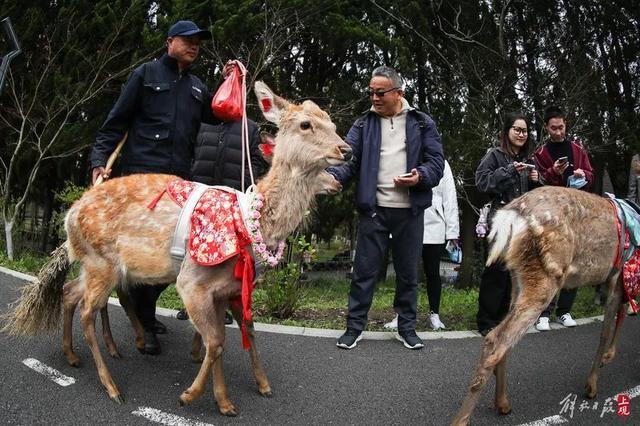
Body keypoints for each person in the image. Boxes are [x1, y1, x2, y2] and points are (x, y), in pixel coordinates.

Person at [89, 20, 225, 355]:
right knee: (147, 253)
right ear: (169, 42)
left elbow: (221, 114)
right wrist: (98, 162)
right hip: (142, 180)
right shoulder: (146, 75)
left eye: (199, 42)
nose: (195, 46)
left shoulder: (196, 87)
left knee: (172, 256)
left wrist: (231, 81)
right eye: (188, 40)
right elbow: (115, 122)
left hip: (179, 184)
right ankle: (145, 323)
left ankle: (144, 312)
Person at [328, 65, 444, 350]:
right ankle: (354, 328)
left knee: (407, 273)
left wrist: (419, 177)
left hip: (410, 211)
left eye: (380, 92)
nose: (374, 98)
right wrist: (333, 176)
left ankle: (406, 328)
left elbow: (436, 163)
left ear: (398, 92)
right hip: (374, 210)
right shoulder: (363, 124)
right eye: (371, 92)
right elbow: (349, 159)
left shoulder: (421, 122)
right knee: (364, 272)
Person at [176, 118, 268, 322]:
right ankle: (191, 303)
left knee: (226, 254)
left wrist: (242, 180)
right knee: (193, 249)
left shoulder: (249, 127)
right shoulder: (202, 121)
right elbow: (189, 150)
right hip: (202, 196)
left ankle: (220, 305)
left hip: (232, 200)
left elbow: (257, 162)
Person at [476, 112, 539, 336]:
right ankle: (486, 322)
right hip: (500, 219)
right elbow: (482, 182)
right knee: (495, 271)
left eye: (525, 130)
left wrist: (536, 180)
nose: (522, 134)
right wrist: (511, 170)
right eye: (517, 129)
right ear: (507, 131)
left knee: (513, 271)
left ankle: (503, 319)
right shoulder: (495, 155)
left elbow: (535, 196)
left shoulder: (529, 158)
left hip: (522, 223)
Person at [533, 105, 594, 331]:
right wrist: (553, 173)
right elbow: (536, 183)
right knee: (549, 263)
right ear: (546, 127)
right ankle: (543, 313)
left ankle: (565, 311)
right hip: (550, 216)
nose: (558, 132)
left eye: (561, 127)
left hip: (575, 215)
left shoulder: (578, 149)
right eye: (553, 128)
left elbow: (590, 174)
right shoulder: (540, 154)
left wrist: (582, 175)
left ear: (566, 124)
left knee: (572, 264)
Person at [383, 160, 459, 331]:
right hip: (406, 222)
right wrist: (390, 226)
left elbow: (450, 196)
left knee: (433, 273)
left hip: (435, 226)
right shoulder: (403, 156)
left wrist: (453, 232)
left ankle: (435, 315)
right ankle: (400, 315)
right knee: (405, 273)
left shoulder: (442, 162)